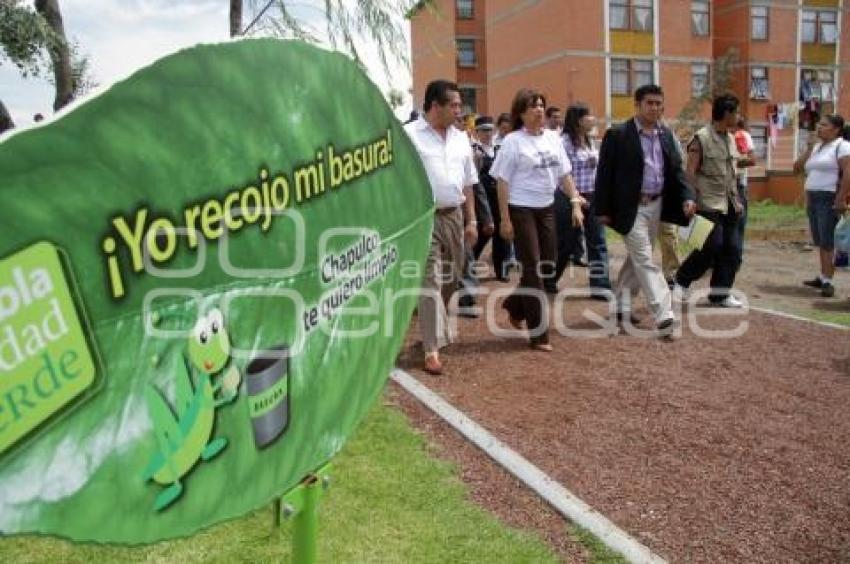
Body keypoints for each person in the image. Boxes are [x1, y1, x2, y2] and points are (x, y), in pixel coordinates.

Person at [595, 84, 695, 335]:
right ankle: (664, 314)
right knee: (646, 259)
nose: (654, 108)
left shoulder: (666, 135)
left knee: (638, 257)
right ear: (637, 105)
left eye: (658, 103)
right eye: (649, 103)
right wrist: (602, 209)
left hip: (657, 205)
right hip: (630, 207)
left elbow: (676, 171)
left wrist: (687, 197)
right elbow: (604, 175)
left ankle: (621, 306)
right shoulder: (618, 135)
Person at [491, 88, 583, 351]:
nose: (540, 110)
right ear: (521, 112)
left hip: (547, 207)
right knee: (532, 269)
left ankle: (514, 305)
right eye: (533, 106)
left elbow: (565, 174)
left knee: (548, 264)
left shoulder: (554, 139)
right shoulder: (513, 141)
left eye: (542, 105)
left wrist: (575, 203)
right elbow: (502, 182)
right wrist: (505, 219)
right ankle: (539, 333)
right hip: (521, 208)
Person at [404, 80, 478, 375]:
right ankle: (431, 349)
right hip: (423, 217)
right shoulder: (408, 136)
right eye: (455, 105)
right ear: (435, 106)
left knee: (452, 276)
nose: (460, 111)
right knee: (430, 279)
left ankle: (430, 321)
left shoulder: (461, 139)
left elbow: (469, 182)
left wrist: (471, 219)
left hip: (455, 216)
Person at [673, 93, 746, 308]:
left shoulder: (731, 139)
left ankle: (720, 294)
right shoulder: (701, 138)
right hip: (708, 202)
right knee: (711, 246)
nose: (739, 116)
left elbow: (731, 172)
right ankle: (682, 280)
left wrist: (738, 199)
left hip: (730, 203)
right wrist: (691, 198)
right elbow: (691, 171)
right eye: (736, 112)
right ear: (726, 113)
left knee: (732, 249)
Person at [548, 103, 611, 297]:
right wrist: (575, 196)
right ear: (578, 120)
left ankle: (600, 286)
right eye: (588, 116)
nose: (593, 119)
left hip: (592, 197)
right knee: (566, 243)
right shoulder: (563, 143)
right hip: (570, 198)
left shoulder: (590, 141)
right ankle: (549, 279)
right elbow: (561, 174)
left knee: (598, 241)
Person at [793, 114, 850, 297]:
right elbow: (797, 168)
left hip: (828, 196)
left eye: (824, 125)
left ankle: (828, 281)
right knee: (819, 239)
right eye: (819, 124)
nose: (819, 127)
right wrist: (809, 148)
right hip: (813, 197)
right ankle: (824, 275)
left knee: (827, 240)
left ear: (836, 129)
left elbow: (848, 172)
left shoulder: (842, 146)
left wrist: (840, 198)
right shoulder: (817, 147)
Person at [733, 117, 756, 268]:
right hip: (727, 184)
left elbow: (751, 160)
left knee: (737, 223)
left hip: (737, 183)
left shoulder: (741, 135)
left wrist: (731, 162)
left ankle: (735, 258)